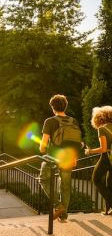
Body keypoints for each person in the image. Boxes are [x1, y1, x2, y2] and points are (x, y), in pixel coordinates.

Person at [39, 94, 81, 222]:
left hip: (52, 157)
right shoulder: (73, 121)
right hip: (69, 157)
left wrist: (41, 149)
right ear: (65, 106)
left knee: (43, 179)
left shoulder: (50, 121)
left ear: (53, 107)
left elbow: (43, 145)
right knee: (65, 186)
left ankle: (58, 206)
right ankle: (63, 214)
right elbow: (76, 141)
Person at [85, 106, 112, 215]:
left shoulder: (102, 128)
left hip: (107, 157)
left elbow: (103, 148)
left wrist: (89, 151)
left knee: (96, 179)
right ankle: (108, 210)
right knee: (110, 184)